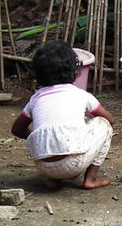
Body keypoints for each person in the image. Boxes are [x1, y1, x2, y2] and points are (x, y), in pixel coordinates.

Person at [11, 41, 115, 189]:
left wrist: (39, 138)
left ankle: (54, 180)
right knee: (103, 125)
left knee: (51, 135)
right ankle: (90, 179)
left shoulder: (35, 99)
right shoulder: (80, 94)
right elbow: (109, 119)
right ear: (74, 70)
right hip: (74, 164)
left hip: (43, 164)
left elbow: (16, 129)